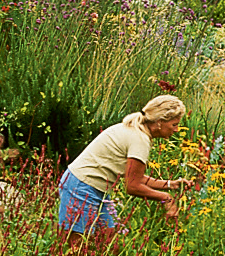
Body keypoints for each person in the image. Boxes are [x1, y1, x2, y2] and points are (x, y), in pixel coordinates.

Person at [57, 94, 191, 243]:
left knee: (108, 245)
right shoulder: (139, 139)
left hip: (94, 189)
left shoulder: (136, 131)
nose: (177, 129)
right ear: (160, 122)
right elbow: (132, 186)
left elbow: (135, 178)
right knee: (76, 248)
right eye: (174, 124)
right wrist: (166, 198)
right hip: (81, 186)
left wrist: (169, 185)